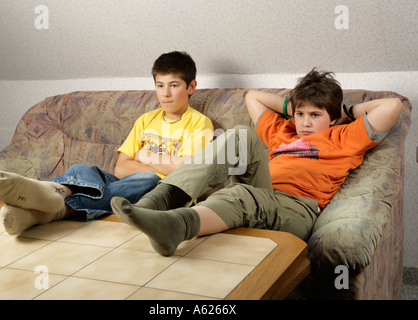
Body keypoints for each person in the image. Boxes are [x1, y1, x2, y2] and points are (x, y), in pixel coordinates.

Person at [110, 68, 403, 257]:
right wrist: (295, 105)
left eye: (315, 116)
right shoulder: (284, 131)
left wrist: (345, 112)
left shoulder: (344, 136)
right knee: (239, 135)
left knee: (238, 193)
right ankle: (160, 200)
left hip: (298, 209)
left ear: (332, 117)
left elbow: (393, 106)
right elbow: (254, 98)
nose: (305, 123)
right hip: (265, 192)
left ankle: (176, 227)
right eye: (301, 114)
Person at [0, 51, 214, 235]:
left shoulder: (199, 123)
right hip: (129, 184)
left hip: (170, 195)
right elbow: (121, 168)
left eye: (173, 85)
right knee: (83, 169)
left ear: (191, 87)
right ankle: (42, 208)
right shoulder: (146, 120)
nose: (165, 94)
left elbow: (184, 171)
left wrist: (147, 157)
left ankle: (52, 194)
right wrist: (161, 163)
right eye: (160, 85)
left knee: (149, 178)